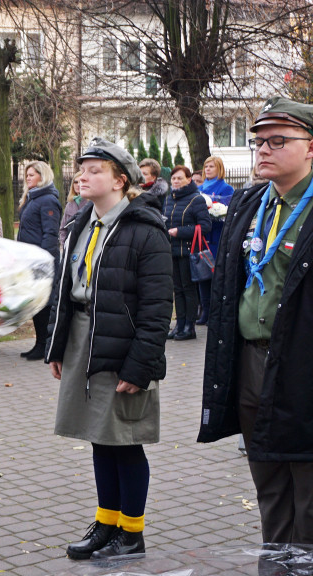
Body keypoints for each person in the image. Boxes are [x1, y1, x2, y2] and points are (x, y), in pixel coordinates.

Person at [45, 138, 172, 560]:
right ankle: (107, 523)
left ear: (121, 180)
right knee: (100, 438)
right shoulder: (83, 222)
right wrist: (58, 345)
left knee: (125, 439)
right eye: (81, 168)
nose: (82, 175)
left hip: (124, 346)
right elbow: (66, 290)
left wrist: (140, 367)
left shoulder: (144, 229)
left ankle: (131, 534)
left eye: (94, 169)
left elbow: (157, 309)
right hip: (86, 338)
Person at [198, 96, 313, 545]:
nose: (262, 149)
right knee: (267, 480)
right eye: (258, 141)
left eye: (277, 140)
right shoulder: (250, 203)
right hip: (249, 359)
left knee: (307, 484)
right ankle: (277, 561)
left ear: (310, 148)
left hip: (302, 363)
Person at [16, 160, 61, 361]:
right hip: (30, 260)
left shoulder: (48, 200)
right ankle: (39, 343)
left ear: (42, 177)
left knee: (44, 304)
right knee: (36, 303)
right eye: (27, 176)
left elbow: (51, 234)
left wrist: (44, 261)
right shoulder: (32, 198)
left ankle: (45, 345)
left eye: (31, 175)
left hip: (42, 262)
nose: (28, 178)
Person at [163, 165, 211, 341]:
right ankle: (179, 325)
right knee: (177, 290)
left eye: (179, 178)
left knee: (188, 290)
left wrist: (180, 232)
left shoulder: (196, 199)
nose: (176, 181)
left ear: (188, 180)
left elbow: (205, 226)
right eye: (173, 178)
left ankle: (189, 327)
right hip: (171, 251)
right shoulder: (168, 199)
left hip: (189, 252)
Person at [196, 156, 235, 325]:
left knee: (215, 276)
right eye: (206, 166)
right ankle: (204, 311)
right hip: (202, 237)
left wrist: (215, 208)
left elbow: (228, 209)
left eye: (211, 166)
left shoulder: (226, 188)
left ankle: (215, 312)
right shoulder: (199, 188)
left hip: (217, 237)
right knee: (202, 275)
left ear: (219, 168)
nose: (208, 169)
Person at [60, 171, 84, 247]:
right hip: (70, 245)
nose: (78, 185)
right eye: (75, 182)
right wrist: (64, 244)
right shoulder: (70, 204)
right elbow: (63, 228)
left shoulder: (92, 202)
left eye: (81, 182)